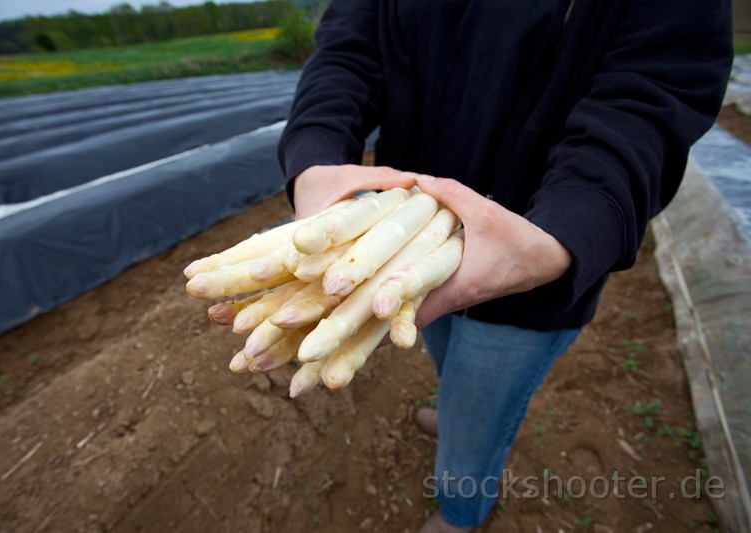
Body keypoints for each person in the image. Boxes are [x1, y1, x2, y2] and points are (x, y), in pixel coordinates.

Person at [277, 1, 733, 531]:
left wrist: (568, 230)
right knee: (447, 361)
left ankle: (460, 512)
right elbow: (348, 50)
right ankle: (455, 421)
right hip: (407, 252)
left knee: (479, 419)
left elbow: (650, 97)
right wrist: (315, 153)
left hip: (531, 271)